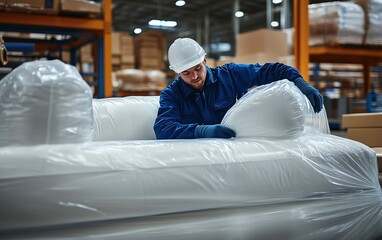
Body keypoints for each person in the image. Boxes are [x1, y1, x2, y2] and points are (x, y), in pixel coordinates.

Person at [154, 38, 323, 139]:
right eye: (186, 73)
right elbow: (163, 128)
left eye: (198, 68)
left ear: (205, 61)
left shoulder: (230, 75)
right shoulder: (172, 94)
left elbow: (273, 70)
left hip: (237, 147)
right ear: (177, 73)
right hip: (198, 154)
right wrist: (202, 131)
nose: (194, 76)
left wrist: (302, 84)